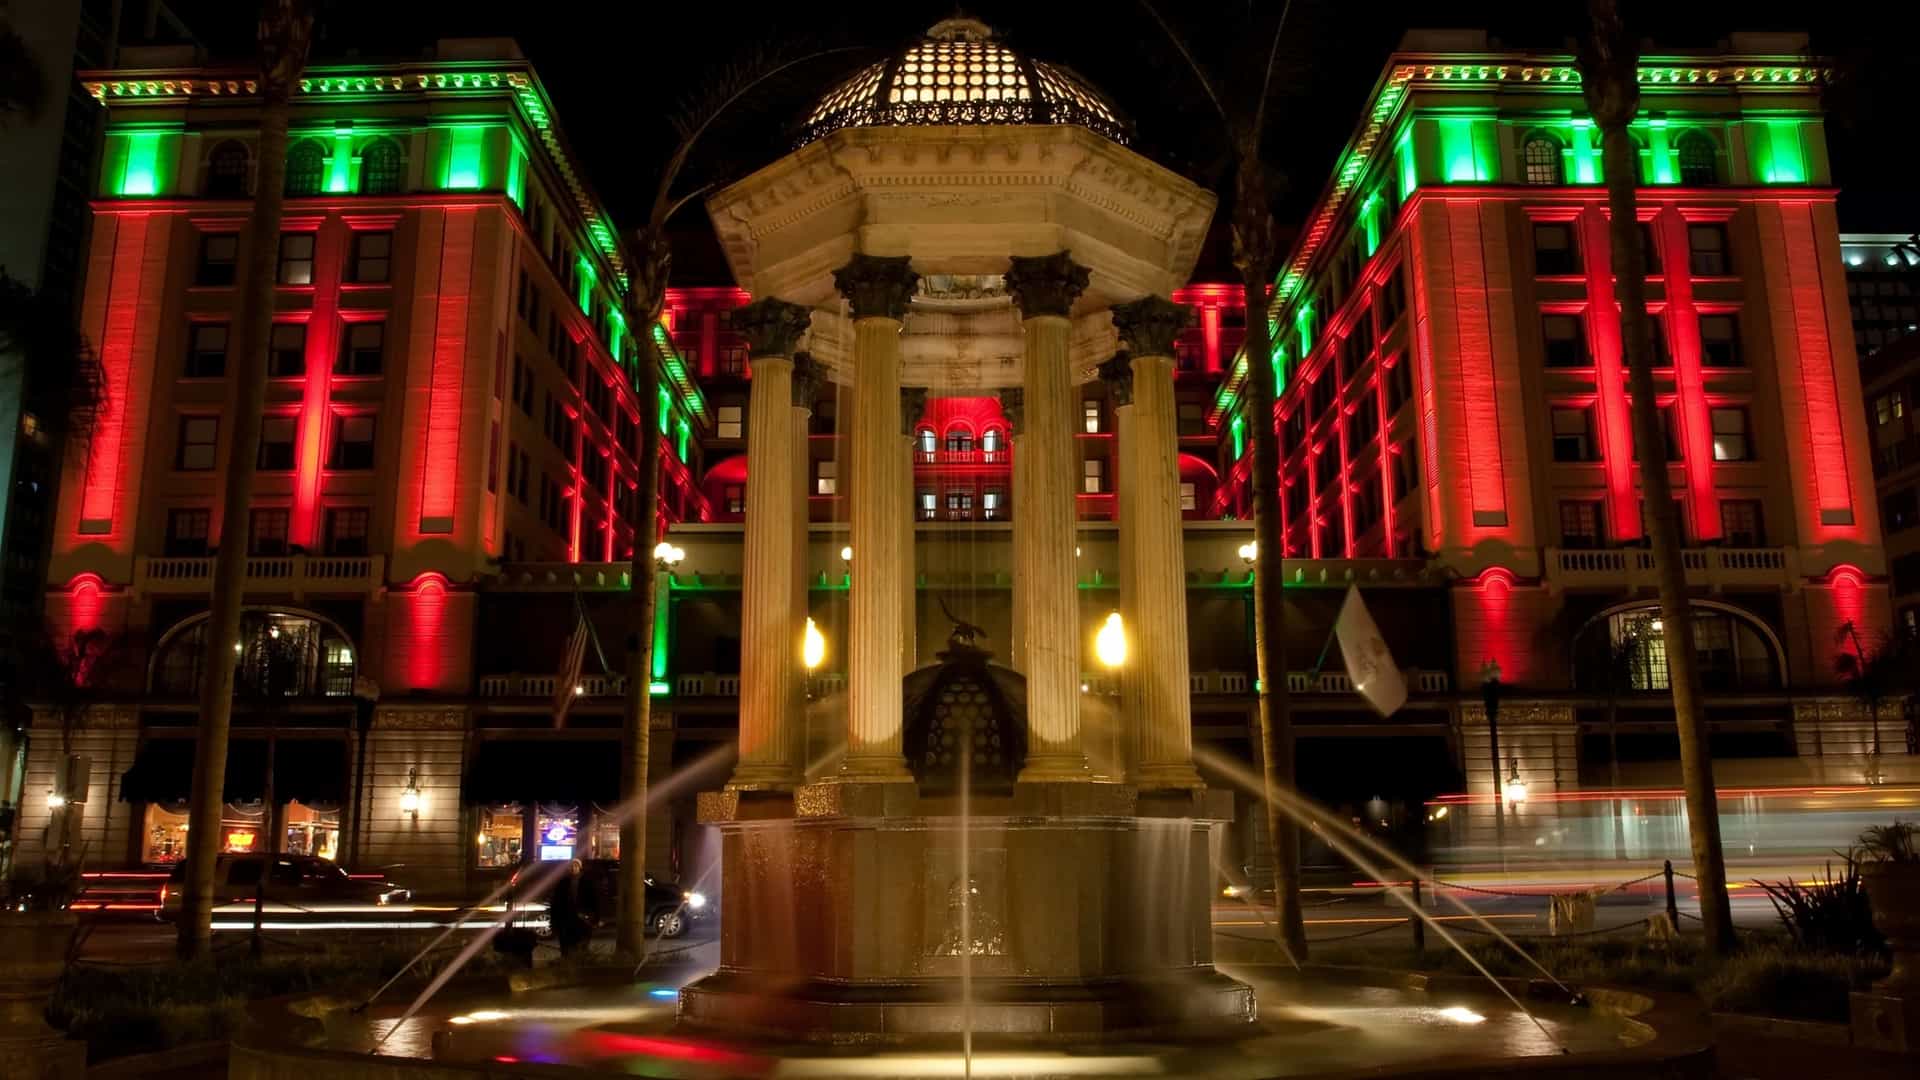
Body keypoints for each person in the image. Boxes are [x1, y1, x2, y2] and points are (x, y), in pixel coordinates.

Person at [549, 858, 594, 956]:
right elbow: (556, 902)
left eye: (576, 866)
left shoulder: (587, 882)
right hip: (566, 919)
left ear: (580, 868)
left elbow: (593, 900)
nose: (573, 868)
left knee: (580, 945)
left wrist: (593, 917)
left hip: (581, 919)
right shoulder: (563, 883)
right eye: (572, 866)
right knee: (566, 946)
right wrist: (554, 921)